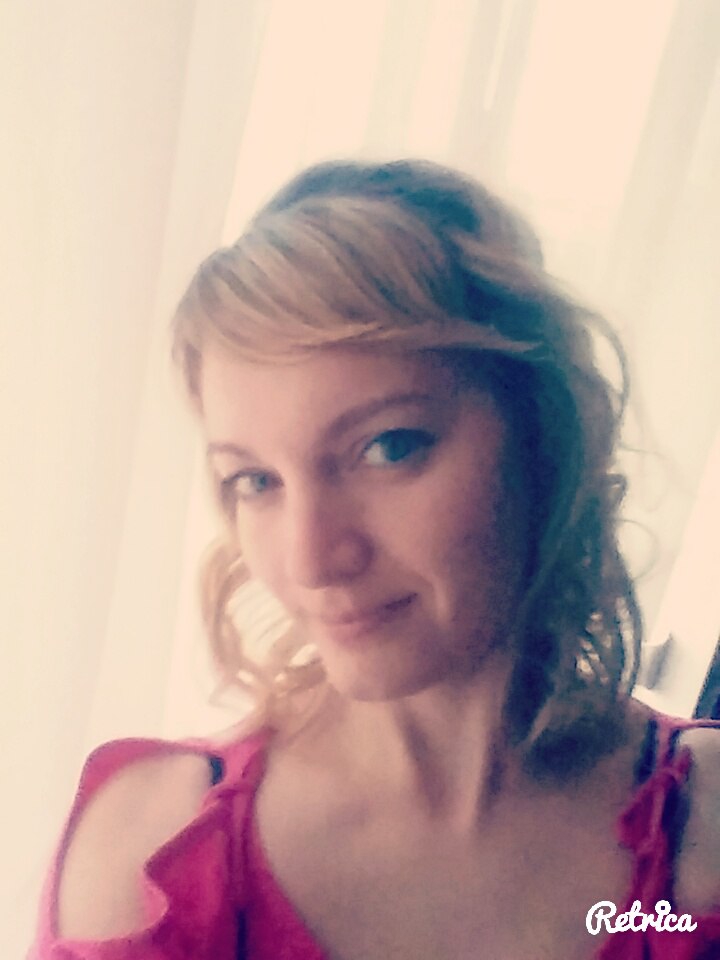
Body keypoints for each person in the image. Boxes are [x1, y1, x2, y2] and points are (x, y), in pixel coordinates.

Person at [30, 160, 720, 959]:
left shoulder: (703, 825)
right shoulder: (148, 855)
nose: (311, 560)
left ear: (541, 436)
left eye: (387, 448)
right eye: (255, 481)